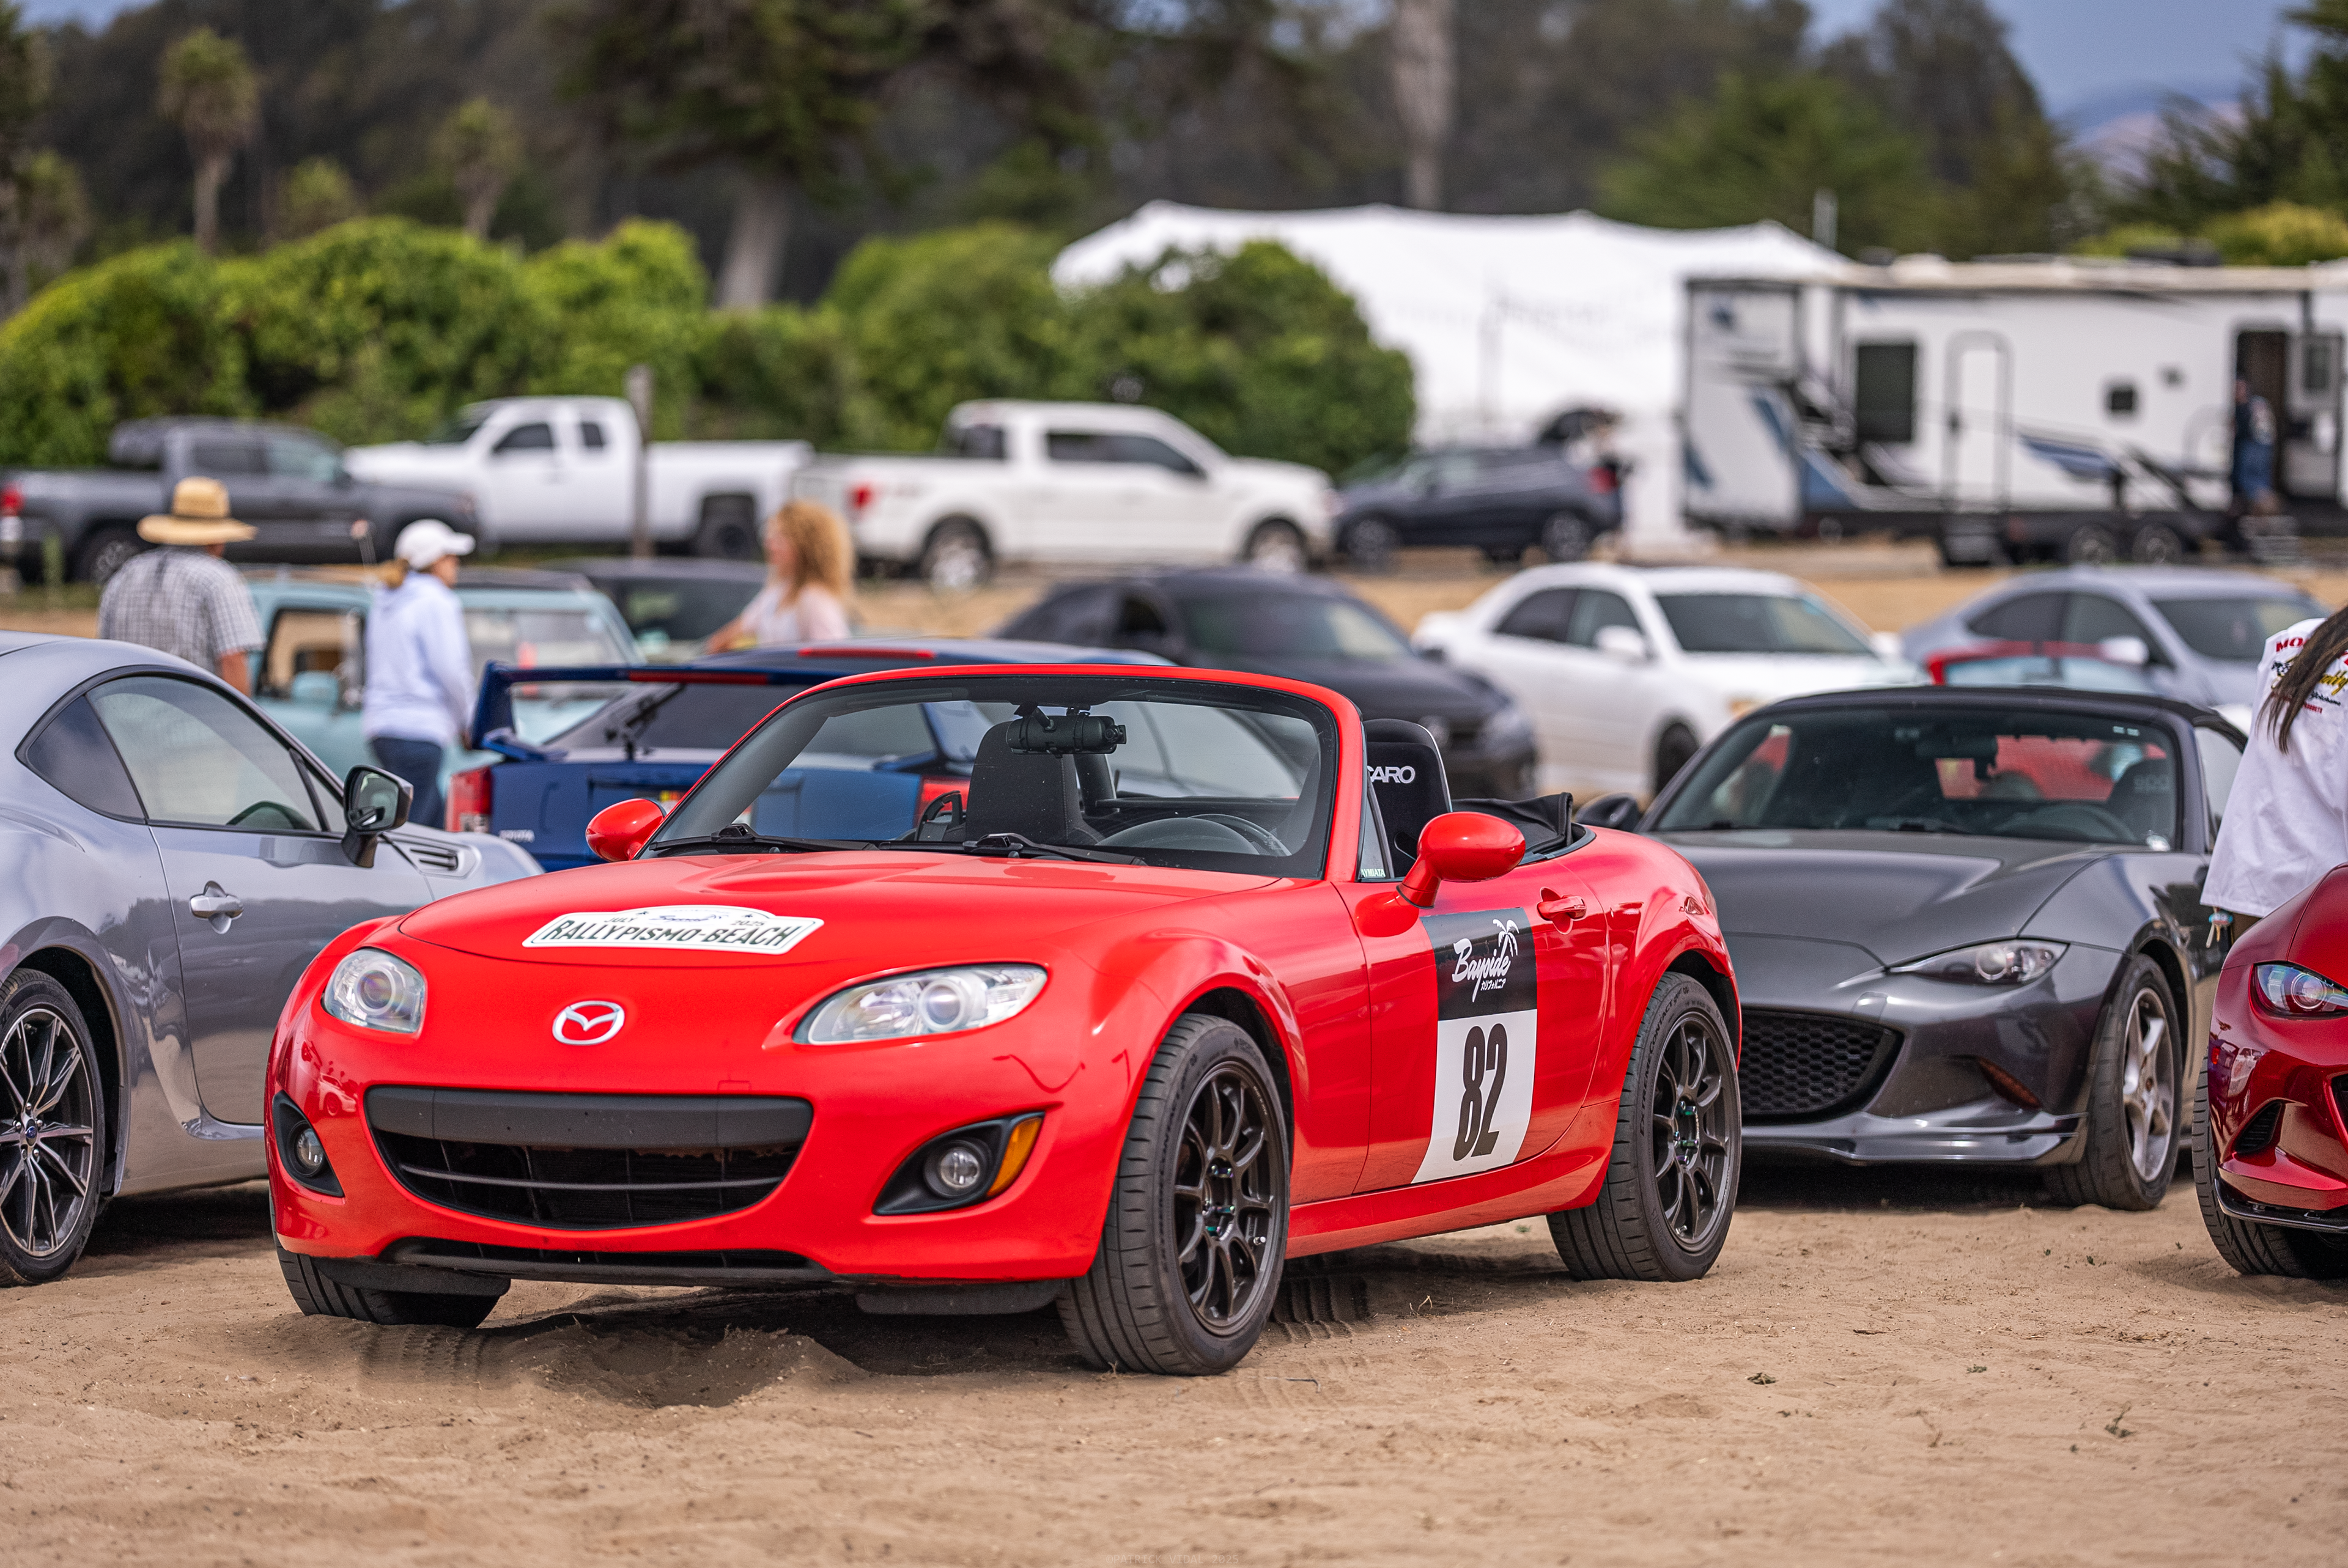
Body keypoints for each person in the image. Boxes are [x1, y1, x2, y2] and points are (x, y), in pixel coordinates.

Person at [2203, 602, 2348, 933]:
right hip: (2322, 896)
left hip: (2253, 876)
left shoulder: (2291, 641)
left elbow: (2263, 751)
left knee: (2250, 970)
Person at [96, 476, 263, 693]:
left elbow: (105, 653)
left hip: (126, 708)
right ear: (217, 539)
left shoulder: (127, 573)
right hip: (190, 711)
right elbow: (232, 660)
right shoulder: (219, 580)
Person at [362, 519, 477, 829]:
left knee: (430, 824)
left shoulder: (385, 598)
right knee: (412, 834)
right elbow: (451, 670)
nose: (456, 564)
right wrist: (470, 720)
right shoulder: (437, 601)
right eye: (450, 557)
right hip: (420, 731)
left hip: (383, 729)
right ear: (434, 561)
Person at [706, 499, 854, 650]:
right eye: (770, 535)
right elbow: (727, 636)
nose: (769, 543)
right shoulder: (777, 593)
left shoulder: (816, 600)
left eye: (780, 537)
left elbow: (833, 655)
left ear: (806, 545)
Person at [2230, 377, 2278, 517]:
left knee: (2252, 481)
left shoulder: (2254, 405)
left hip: (2255, 447)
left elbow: (2261, 431)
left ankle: (2265, 510)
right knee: (2253, 481)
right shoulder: (2257, 404)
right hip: (2258, 447)